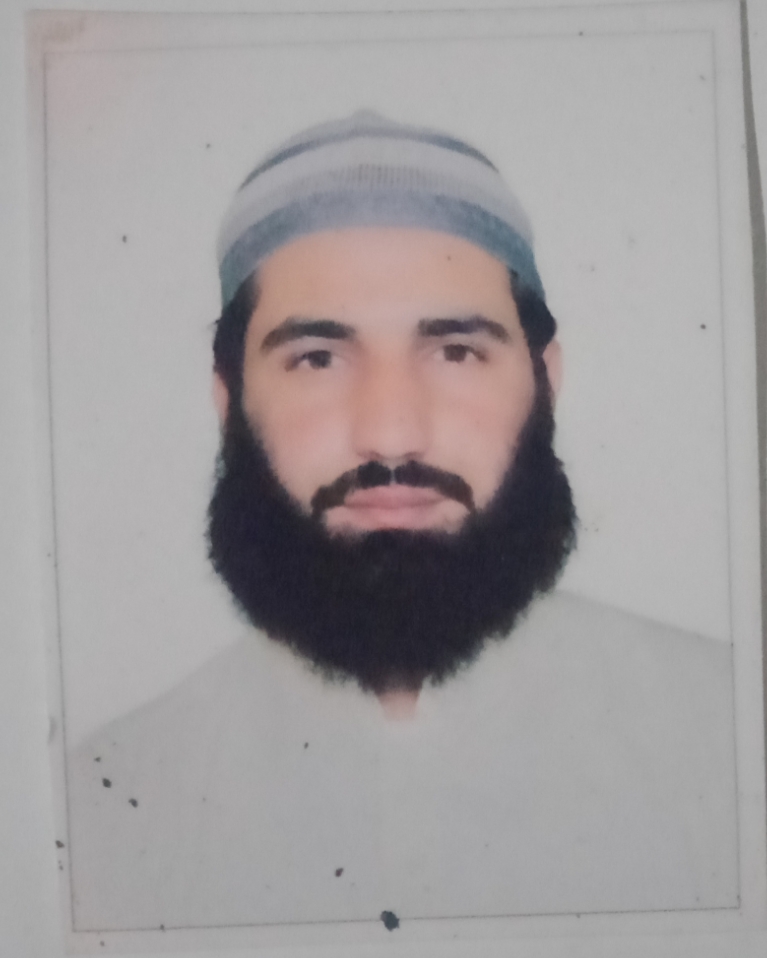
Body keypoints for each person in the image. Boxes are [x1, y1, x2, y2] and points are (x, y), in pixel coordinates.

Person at [67, 111, 738, 933]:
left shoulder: (727, 741)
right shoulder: (99, 812)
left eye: (455, 351)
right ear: (228, 401)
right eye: (316, 358)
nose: (390, 434)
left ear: (545, 381)